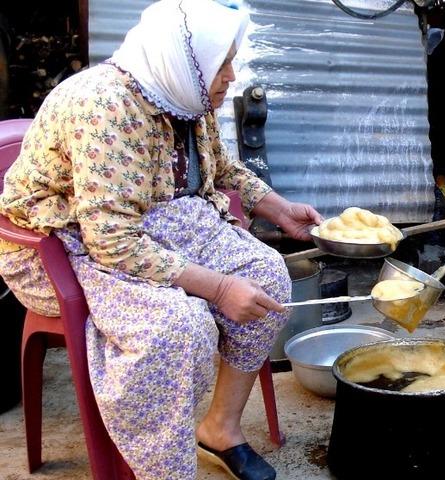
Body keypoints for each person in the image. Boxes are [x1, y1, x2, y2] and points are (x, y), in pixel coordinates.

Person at [0, 1, 323, 479]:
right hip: (67, 240)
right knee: (178, 326)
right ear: (187, 58)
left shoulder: (185, 91)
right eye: (224, 63)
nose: (232, 75)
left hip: (162, 222)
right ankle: (162, 468)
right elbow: (110, 237)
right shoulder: (102, 105)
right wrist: (214, 288)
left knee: (266, 274)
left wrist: (276, 207)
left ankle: (220, 429)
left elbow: (221, 166)